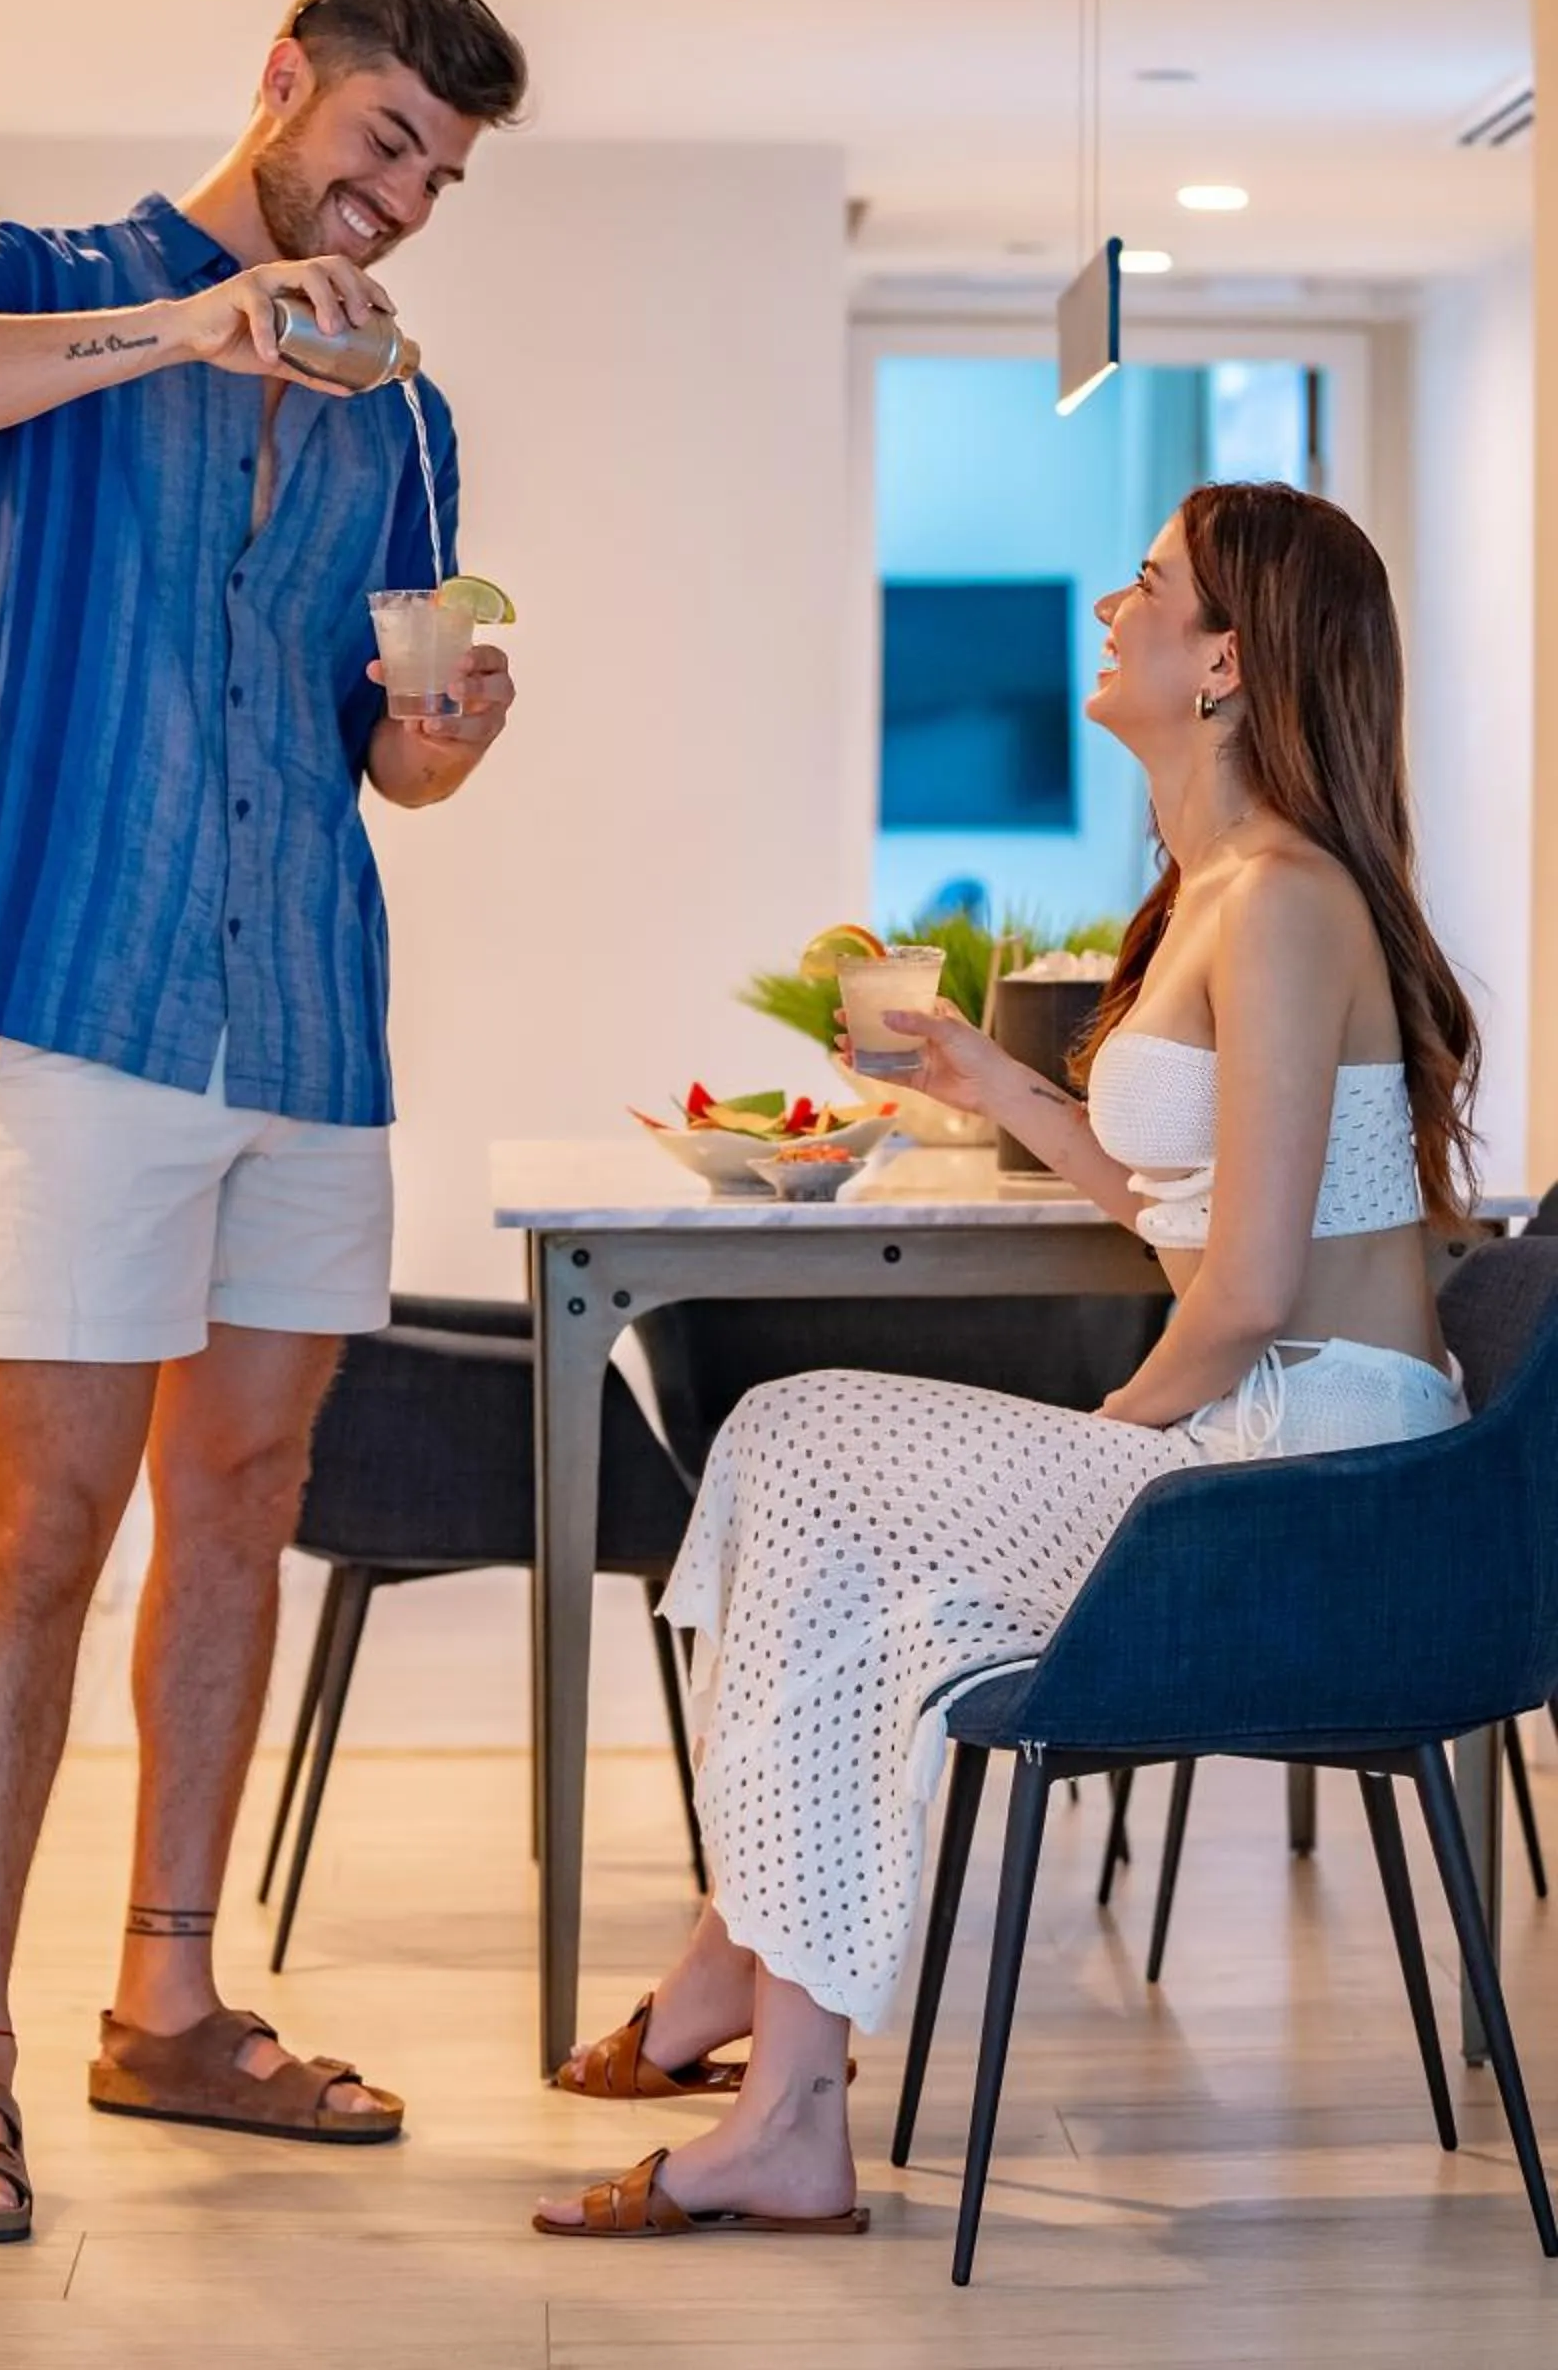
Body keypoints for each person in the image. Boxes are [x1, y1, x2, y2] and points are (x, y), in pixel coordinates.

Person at [0, 0, 529, 2245]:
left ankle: (172, 2010)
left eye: (442, 172)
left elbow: (377, 747)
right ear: (288, 81)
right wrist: (191, 324)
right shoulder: (60, 284)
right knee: (40, 1531)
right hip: (79, 990)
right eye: (386, 140)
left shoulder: (405, 417)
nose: (402, 201)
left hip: (307, 1017)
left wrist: (433, 743)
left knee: (244, 1501)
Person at [535, 480, 1478, 2242]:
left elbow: (1254, 1286)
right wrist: (989, 1084)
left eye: (1149, 588)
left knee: (801, 1446)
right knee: (809, 1474)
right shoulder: (1218, 892)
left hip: (1318, 1480)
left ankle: (758, 2010)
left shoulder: (1280, 899)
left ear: (1227, 664)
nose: (1109, 609)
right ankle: (775, 2057)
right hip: (1270, 1451)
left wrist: (1116, 1430)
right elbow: (1195, 1215)